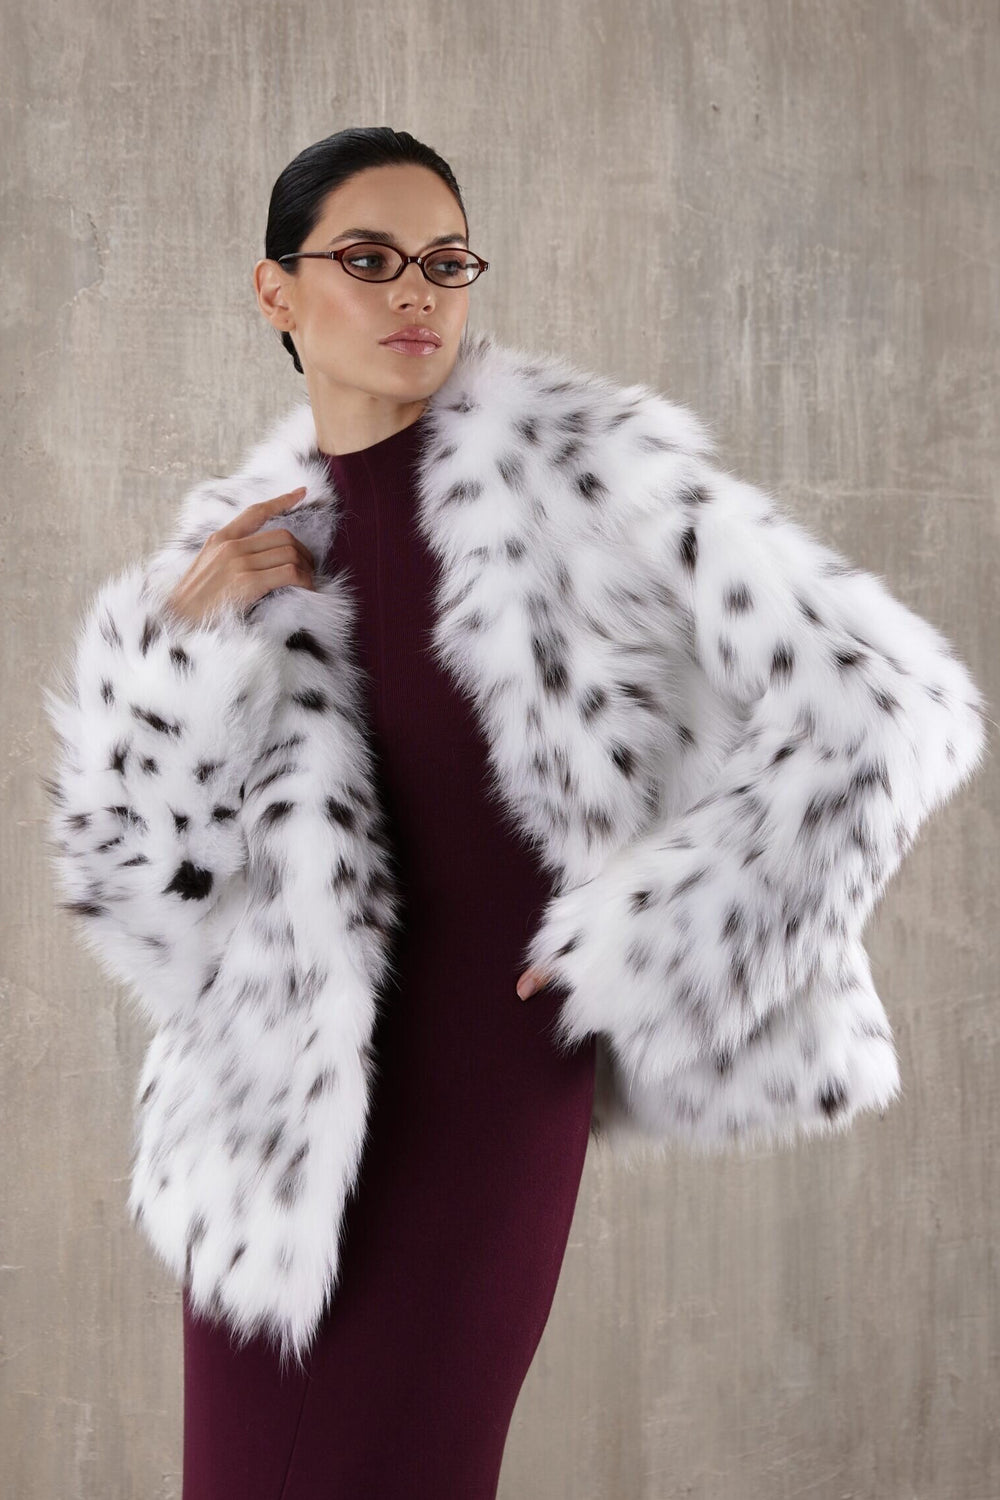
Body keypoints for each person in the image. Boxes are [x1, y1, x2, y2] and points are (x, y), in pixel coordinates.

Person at [41, 127, 989, 1499]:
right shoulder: (248, 551)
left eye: (445, 262)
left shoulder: (583, 480)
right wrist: (177, 646)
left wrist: (656, 929)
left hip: (484, 1109)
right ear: (276, 291)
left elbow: (894, 707)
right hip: (263, 1147)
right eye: (369, 259)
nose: (416, 293)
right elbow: (147, 897)